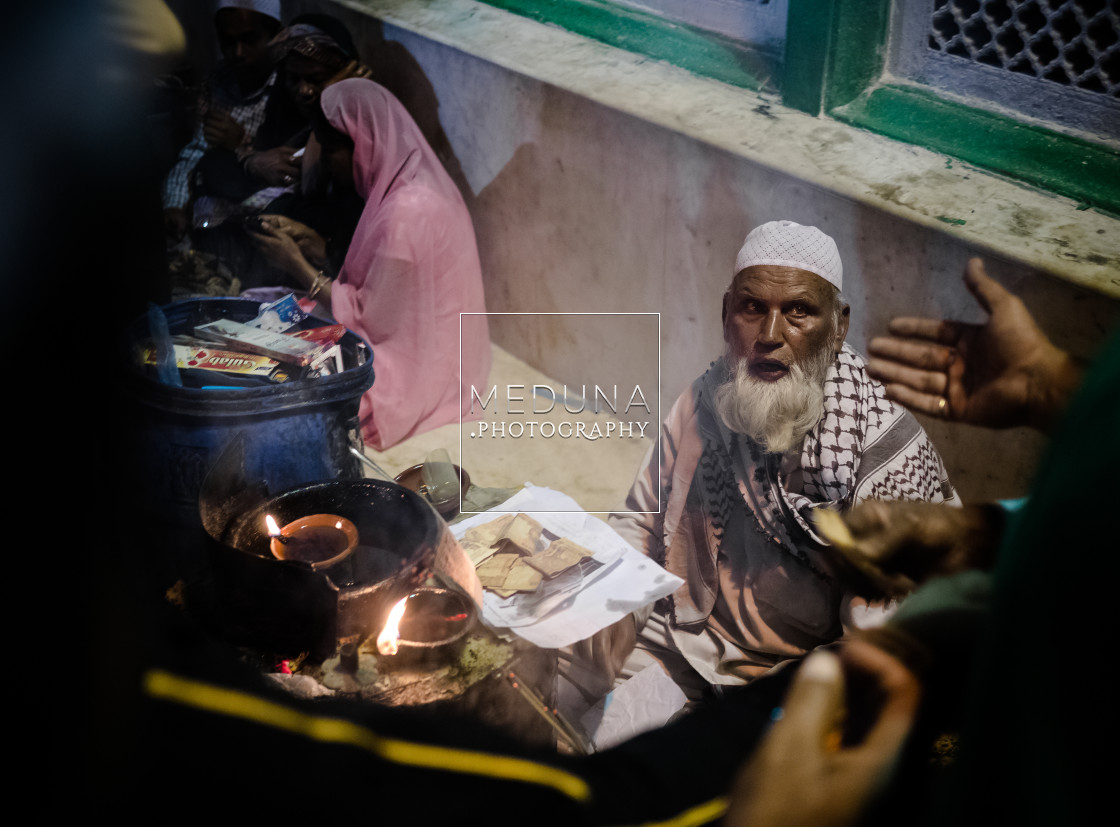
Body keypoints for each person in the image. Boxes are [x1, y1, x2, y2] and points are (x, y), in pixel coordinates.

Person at [600, 220, 959, 699]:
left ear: (838, 326)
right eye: (753, 307)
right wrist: (609, 617)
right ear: (726, 312)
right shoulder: (707, 400)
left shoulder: (883, 455)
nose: (770, 334)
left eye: (799, 312)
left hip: (791, 681)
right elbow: (641, 522)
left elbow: (877, 645)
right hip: (682, 632)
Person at [248, 78, 491, 450]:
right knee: (265, 309)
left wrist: (296, 264)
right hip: (433, 349)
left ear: (366, 143)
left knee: (286, 379)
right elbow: (387, 290)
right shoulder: (412, 184)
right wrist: (313, 246)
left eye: (332, 152)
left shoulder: (406, 211)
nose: (329, 166)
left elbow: (370, 319)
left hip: (419, 369)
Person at [162, 0, 286, 241]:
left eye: (250, 40)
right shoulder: (220, 80)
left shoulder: (290, 84)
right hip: (213, 215)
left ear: (277, 37)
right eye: (228, 42)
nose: (238, 53)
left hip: (269, 221)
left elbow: (293, 172)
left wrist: (241, 143)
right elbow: (195, 152)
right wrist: (175, 204)